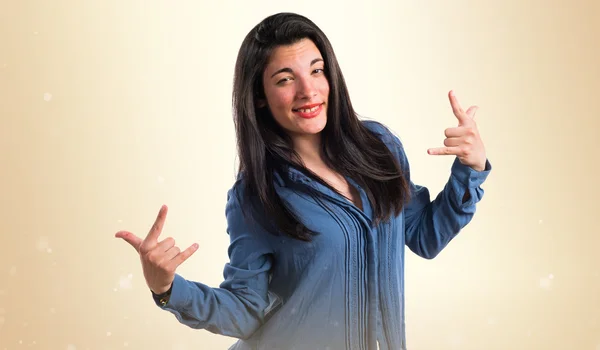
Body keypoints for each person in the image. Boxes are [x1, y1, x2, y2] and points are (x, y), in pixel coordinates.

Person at [115, 12, 491, 350]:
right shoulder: (256, 195)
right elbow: (246, 309)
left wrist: (469, 169)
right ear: (260, 97)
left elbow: (425, 236)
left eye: (316, 70)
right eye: (284, 79)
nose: (307, 91)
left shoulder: (380, 148)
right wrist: (167, 288)